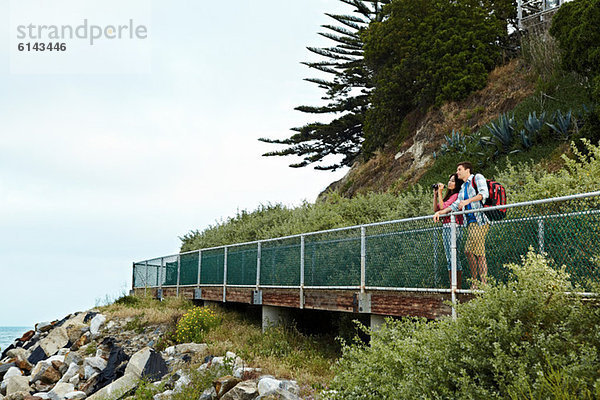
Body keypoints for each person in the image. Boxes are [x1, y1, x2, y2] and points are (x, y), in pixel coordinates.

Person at [433, 161, 489, 288]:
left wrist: (467, 201)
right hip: (469, 223)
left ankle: (483, 283)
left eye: (459, 169)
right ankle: (475, 282)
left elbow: (484, 194)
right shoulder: (463, 187)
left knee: (479, 253)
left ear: (467, 170)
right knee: (469, 252)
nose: (457, 172)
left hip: (480, 220)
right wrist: (440, 212)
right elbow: (454, 206)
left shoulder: (477, 178)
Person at [433, 174, 464, 287]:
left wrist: (440, 192)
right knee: (449, 257)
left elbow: (443, 209)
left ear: (457, 184)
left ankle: (456, 286)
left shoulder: (456, 196)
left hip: (453, 226)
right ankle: (453, 285)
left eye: (452, 181)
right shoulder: (450, 196)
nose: (449, 183)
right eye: (449, 180)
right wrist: (436, 195)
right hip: (447, 227)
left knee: (453, 256)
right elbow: (436, 209)